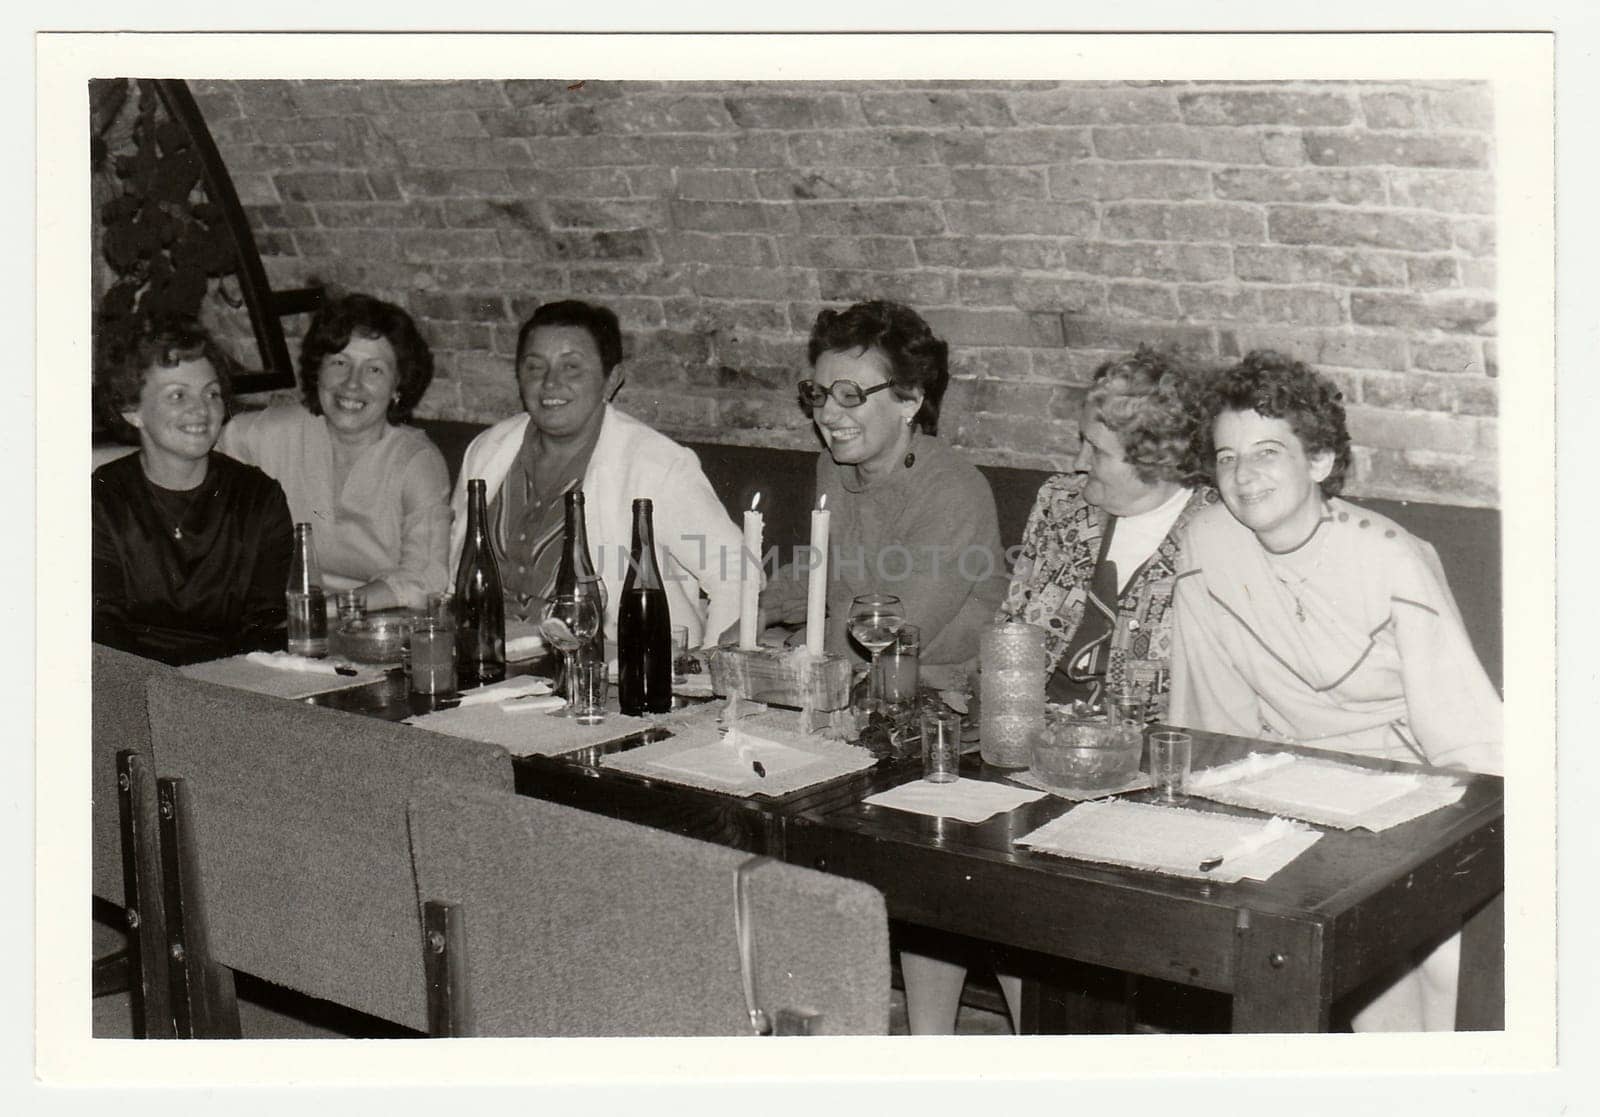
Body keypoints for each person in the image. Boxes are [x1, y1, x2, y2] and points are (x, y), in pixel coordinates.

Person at [1169, 349, 1503, 1031]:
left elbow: (1464, 726)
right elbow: (1211, 717)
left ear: (1319, 461)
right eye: (1227, 457)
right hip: (1288, 791)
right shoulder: (1205, 545)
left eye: (1268, 451)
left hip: (1414, 790)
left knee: (1440, 967)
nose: (1243, 475)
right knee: (1349, 986)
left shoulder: (1390, 557)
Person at [904, 346, 1217, 1035]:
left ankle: (1037, 1056)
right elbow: (1016, 627)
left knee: (1014, 878)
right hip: (1026, 743)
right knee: (935, 838)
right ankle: (926, 1055)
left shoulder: (1217, 533)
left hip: (1133, 770)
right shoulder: (1061, 503)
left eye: (1096, 450)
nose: (1077, 461)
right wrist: (995, 728)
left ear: (1158, 459)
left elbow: (1199, 704)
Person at [449, 299, 743, 646]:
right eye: (534, 367)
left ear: (611, 380)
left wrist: (707, 673)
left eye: (572, 367)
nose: (550, 384)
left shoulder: (656, 465)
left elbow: (736, 572)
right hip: (488, 662)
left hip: (611, 674)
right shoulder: (488, 450)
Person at [760, 300, 1006, 668]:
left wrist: (787, 648)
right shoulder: (832, 467)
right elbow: (821, 566)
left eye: (850, 395)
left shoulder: (953, 491)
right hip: (850, 675)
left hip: (941, 696)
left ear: (908, 401)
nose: (827, 414)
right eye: (819, 393)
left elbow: (891, 631)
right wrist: (759, 610)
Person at [218, 292, 451, 612]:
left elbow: (426, 577)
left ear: (398, 386)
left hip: (377, 629)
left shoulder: (416, 462)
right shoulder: (264, 434)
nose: (351, 384)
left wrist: (329, 608)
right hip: (272, 622)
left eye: (374, 370)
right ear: (318, 371)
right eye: (340, 362)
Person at [92, 316, 293, 665]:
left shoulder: (259, 497)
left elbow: (268, 626)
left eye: (211, 393)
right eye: (177, 395)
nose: (201, 409)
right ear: (131, 410)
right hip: (131, 685)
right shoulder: (101, 498)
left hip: (234, 686)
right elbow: (102, 629)